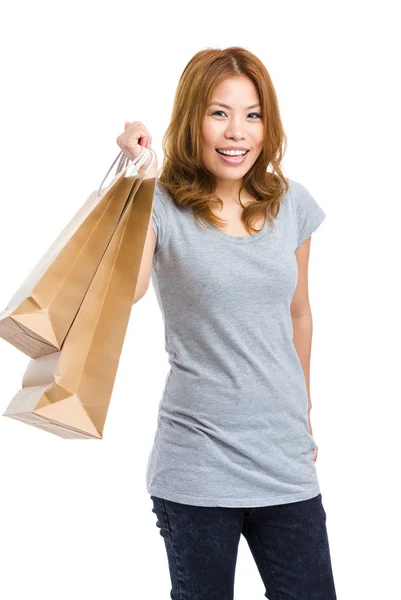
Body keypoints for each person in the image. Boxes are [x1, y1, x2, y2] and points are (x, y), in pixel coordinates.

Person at [116, 46, 337, 600]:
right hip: (197, 465)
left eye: (252, 114)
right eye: (219, 112)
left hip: (284, 461)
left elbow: (299, 313)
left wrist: (303, 411)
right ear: (193, 118)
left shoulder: (292, 204)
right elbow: (130, 289)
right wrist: (135, 178)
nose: (237, 131)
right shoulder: (162, 204)